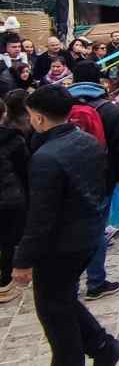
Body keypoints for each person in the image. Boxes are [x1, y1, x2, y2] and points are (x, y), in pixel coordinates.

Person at [12, 85, 119, 365]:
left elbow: (41, 217)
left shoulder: (46, 158)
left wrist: (23, 260)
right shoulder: (86, 141)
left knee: (54, 313)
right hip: (88, 235)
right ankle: (103, 346)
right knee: (62, 299)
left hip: (61, 246)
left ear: (38, 118)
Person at [67, 61, 119, 302]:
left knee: (69, 230)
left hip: (64, 179)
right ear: (99, 80)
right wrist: (115, 177)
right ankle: (96, 282)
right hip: (99, 179)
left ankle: (70, 285)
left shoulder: (61, 105)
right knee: (96, 230)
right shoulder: (109, 108)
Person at [0, 97, 30, 304]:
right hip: (10, 197)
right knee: (8, 240)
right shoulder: (13, 139)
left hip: (9, 195)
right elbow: (25, 169)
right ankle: (4, 284)